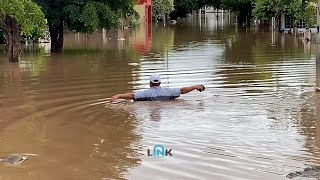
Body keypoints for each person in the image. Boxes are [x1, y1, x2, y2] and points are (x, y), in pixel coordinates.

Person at [110, 74, 205, 102]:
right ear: (160, 83)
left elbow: (132, 95)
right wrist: (194, 86)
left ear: (150, 83)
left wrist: (119, 96)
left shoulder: (146, 93)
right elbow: (182, 90)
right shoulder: (169, 91)